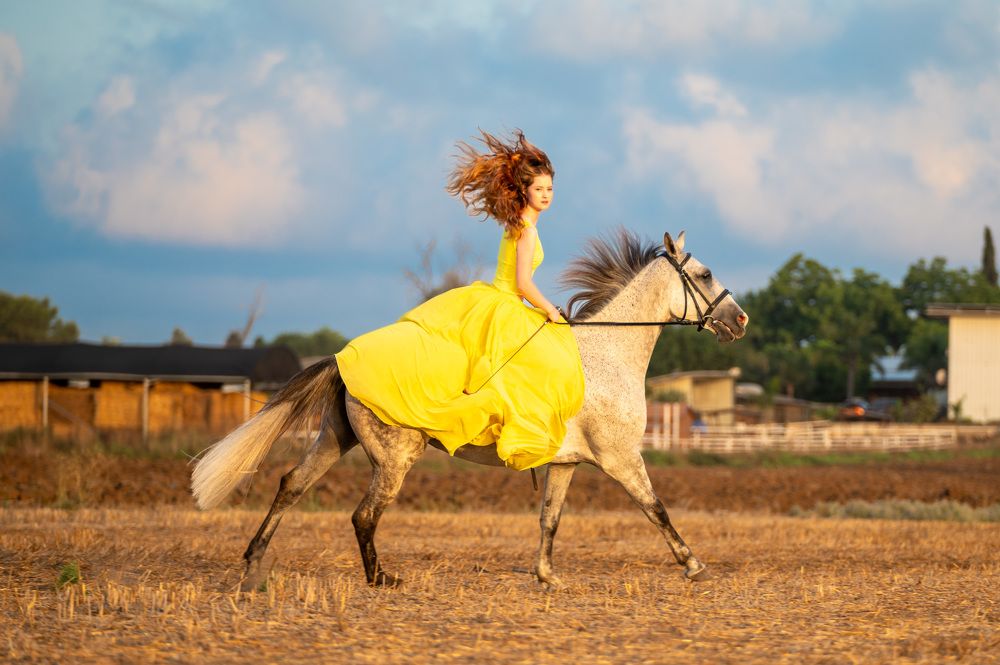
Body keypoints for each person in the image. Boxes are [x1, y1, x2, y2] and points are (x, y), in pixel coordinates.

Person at [335, 130, 585, 470]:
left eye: (549, 189)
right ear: (524, 190)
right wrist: (550, 309)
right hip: (504, 303)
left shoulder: (519, 224)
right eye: (539, 189)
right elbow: (523, 283)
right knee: (532, 367)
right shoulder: (526, 230)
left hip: (500, 301)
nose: (545, 195)